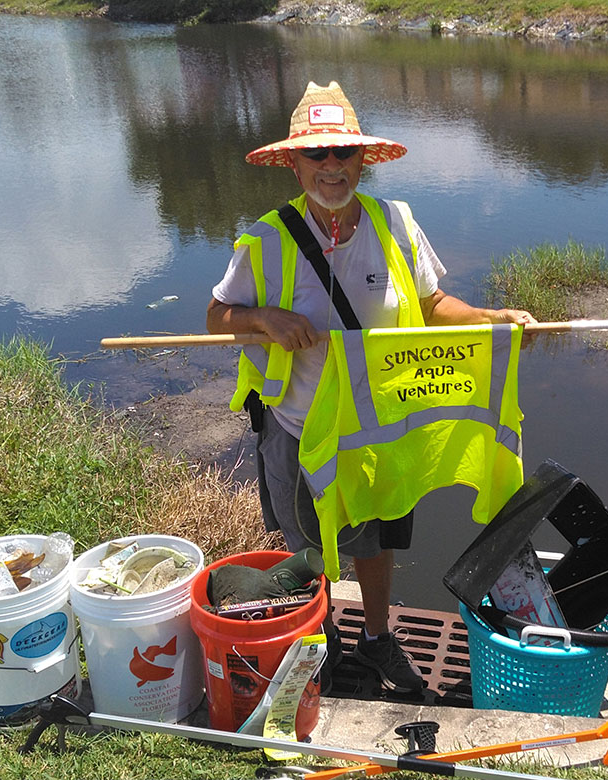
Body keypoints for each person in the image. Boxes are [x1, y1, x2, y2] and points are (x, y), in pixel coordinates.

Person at [206, 81, 535, 693]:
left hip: (380, 427)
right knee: (308, 541)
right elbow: (216, 317)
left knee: (376, 537)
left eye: (343, 154)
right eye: (316, 155)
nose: (331, 167)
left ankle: (378, 638)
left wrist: (494, 320)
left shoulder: (396, 222)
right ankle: (321, 638)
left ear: (362, 161)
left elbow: (433, 304)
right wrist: (263, 320)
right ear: (294, 163)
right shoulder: (267, 239)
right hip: (298, 425)